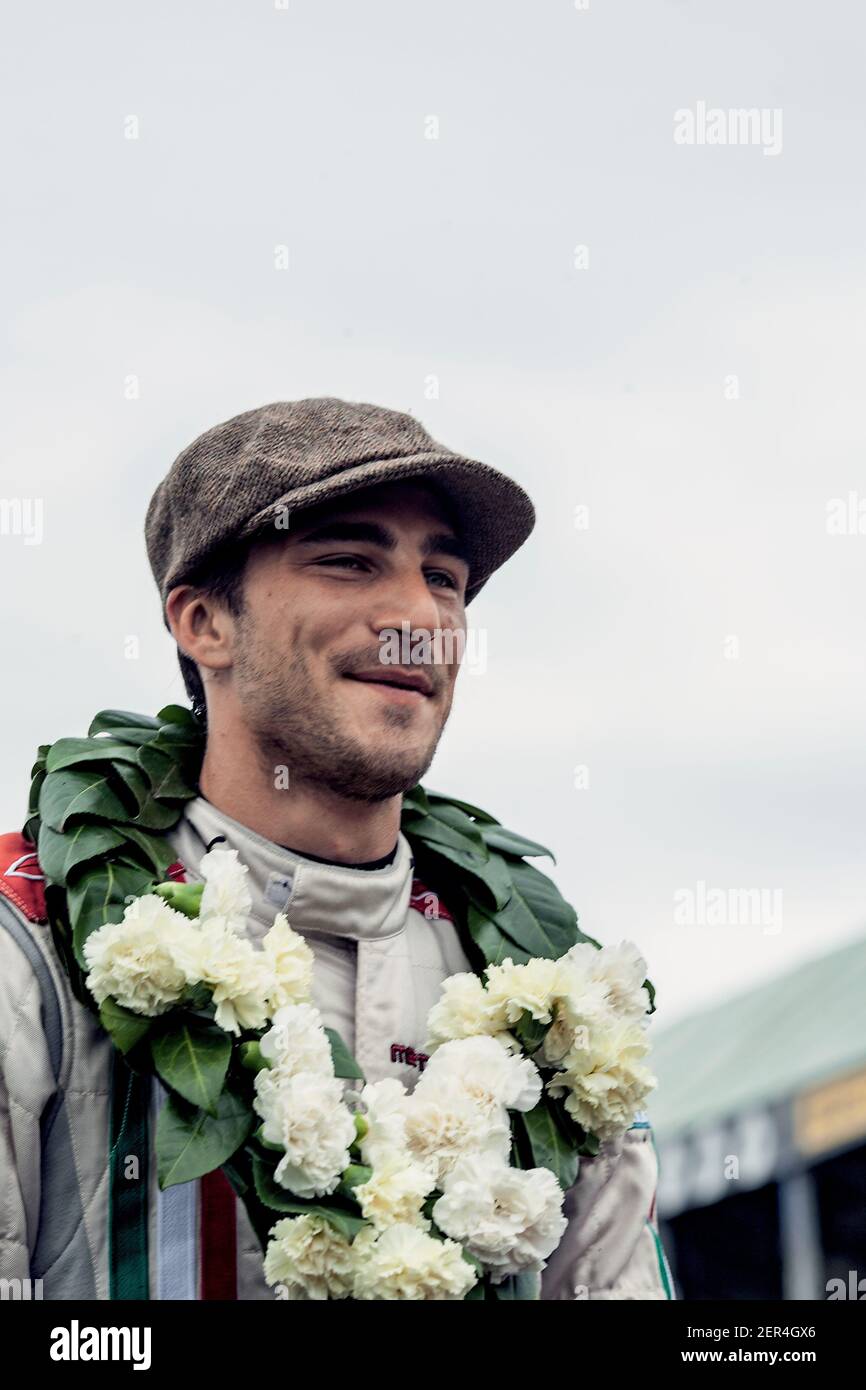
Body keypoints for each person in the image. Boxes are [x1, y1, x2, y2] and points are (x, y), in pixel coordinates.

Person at [0, 397, 675, 1300]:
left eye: (443, 576)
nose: (415, 618)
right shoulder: (30, 940)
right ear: (205, 623)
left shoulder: (559, 1004)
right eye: (350, 562)